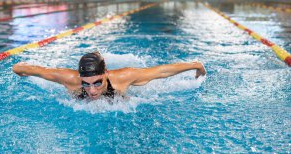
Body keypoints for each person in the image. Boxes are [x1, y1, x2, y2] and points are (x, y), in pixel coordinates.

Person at [12, 52, 206, 100]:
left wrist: (195, 65)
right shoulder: (70, 79)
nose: (92, 90)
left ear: (106, 74)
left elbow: (161, 71)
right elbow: (35, 70)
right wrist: (20, 70)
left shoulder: (122, 77)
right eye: (86, 85)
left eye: (98, 83)